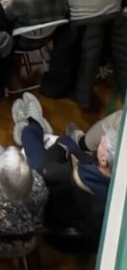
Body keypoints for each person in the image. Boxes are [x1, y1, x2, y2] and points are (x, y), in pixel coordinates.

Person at [11, 93, 115, 239]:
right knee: (64, 140)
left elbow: (47, 172)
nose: (102, 138)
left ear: (104, 160)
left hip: (61, 225)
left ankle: (31, 124)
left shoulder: (75, 176)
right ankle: (33, 127)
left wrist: (63, 149)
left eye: (103, 142)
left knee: (37, 141)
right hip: (82, 230)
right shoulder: (112, 187)